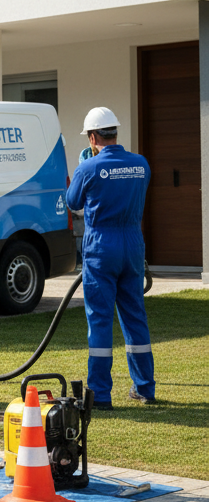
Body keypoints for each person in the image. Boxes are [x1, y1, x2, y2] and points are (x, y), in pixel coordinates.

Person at [66, 107, 155, 408]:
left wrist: (84, 168)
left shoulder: (88, 169)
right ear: (115, 132)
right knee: (135, 317)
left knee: (100, 320)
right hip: (132, 242)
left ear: (92, 137)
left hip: (101, 246)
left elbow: (73, 202)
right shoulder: (141, 164)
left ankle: (101, 394)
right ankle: (145, 387)